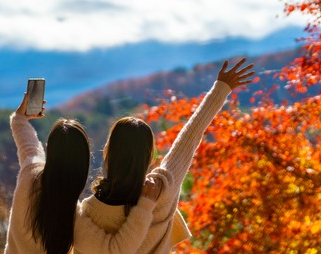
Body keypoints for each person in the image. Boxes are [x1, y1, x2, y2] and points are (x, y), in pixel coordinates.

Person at [73, 58, 255, 254]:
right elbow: (191, 136)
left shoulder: (90, 212)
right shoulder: (162, 188)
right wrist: (221, 88)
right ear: (149, 157)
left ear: (108, 152)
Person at [5, 88, 165, 254]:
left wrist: (20, 118)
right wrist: (145, 205)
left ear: (48, 150)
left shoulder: (30, 172)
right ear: (84, 163)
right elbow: (117, 249)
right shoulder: (74, 219)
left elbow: (28, 145)